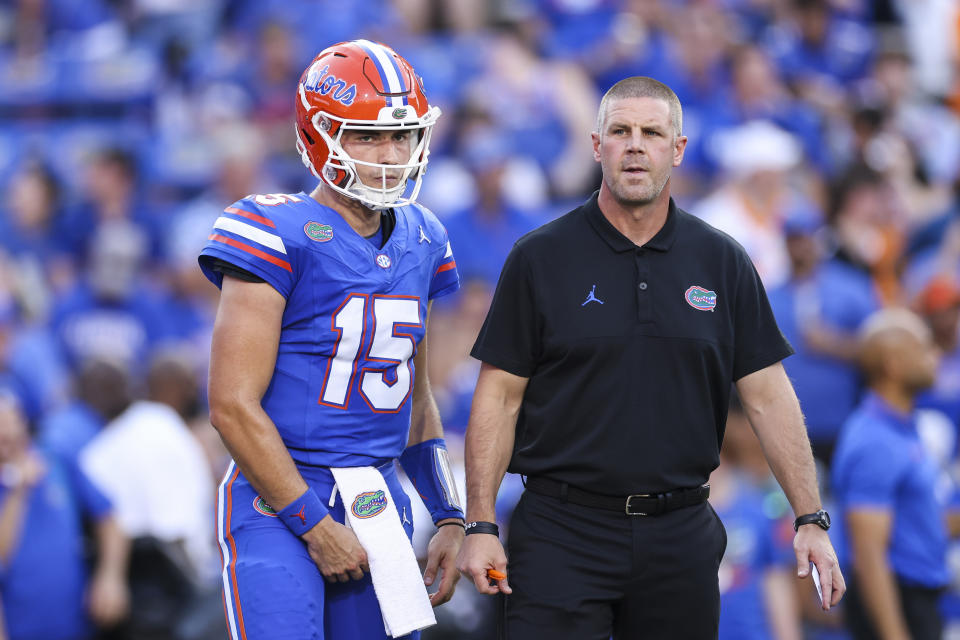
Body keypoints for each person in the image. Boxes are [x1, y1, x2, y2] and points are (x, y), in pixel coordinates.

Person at [456, 76, 845, 639]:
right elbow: (499, 396)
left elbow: (768, 396)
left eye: (652, 133)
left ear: (678, 150)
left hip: (679, 530)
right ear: (597, 146)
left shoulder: (723, 261)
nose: (635, 145)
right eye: (620, 131)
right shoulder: (538, 257)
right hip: (560, 529)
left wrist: (809, 516)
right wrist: (481, 523)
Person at [199, 40, 464, 640]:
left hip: (377, 498)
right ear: (320, 136)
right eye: (366, 136)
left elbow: (417, 403)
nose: (389, 154)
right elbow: (231, 407)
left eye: (401, 136)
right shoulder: (272, 227)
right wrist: (313, 524)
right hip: (278, 499)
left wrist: (451, 515)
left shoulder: (424, 237)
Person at [832, 308, 957, 640]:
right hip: (899, 602)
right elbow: (869, 554)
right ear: (893, 364)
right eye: (923, 347)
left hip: (921, 595)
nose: (935, 355)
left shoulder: (904, 426)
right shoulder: (873, 440)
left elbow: (916, 519)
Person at [0, 390, 130, 640]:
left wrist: (110, 576)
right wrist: (18, 491)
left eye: (15, 439)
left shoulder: (55, 458)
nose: (9, 450)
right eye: (2, 442)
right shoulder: (15, 487)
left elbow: (108, 517)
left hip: (77, 624)